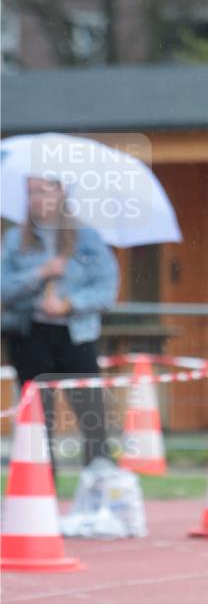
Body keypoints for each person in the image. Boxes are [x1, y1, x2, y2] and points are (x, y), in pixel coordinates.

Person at [1, 176, 119, 473]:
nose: (36, 199)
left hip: (75, 334)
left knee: (92, 416)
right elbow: (3, 288)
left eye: (43, 191)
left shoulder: (87, 237)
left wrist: (69, 304)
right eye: (30, 192)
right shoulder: (16, 239)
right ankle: (41, 491)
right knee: (38, 418)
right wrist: (39, 274)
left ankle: (99, 485)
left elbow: (107, 288)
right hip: (30, 335)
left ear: (61, 192)